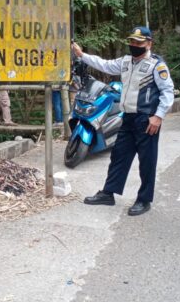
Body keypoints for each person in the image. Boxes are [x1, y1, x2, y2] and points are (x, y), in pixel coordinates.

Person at [71, 26, 174, 216]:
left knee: (147, 161)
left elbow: (168, 92)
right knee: (118, 156)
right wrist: (82, 55)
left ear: (149, 43)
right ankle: (108, 193)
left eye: (139, 43)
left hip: (147, 119)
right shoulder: (126, 61)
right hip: (127, 118)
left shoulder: (156, 65)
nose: (134, 46)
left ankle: (144, 200)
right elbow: (104, 64)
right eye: (132, 42)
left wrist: (158, 116)